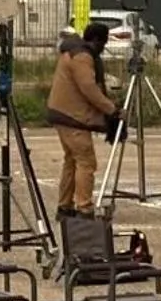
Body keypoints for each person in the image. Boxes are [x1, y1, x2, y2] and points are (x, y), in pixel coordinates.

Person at [47, 21, 119, 216]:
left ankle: (65, 206)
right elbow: (88, 88)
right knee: (86, 162)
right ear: (96, 40)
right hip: (72, 118)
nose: (103, 48)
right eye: (103, 42)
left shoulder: (72, 51)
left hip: (63, 114)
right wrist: (111, 109)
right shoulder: (82, 57)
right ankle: (84, 207)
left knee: (71, 160)